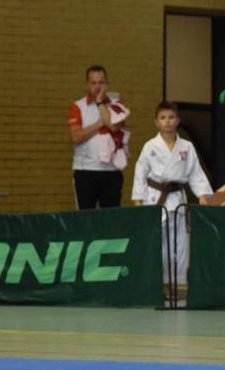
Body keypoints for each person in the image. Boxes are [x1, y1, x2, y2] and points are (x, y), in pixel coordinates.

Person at [131, 102, 214, 291]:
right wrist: (137, 199)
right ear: (156, 122)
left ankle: (179, 282)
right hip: (155, 197)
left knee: (180, 241)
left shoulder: (187, 146)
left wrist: (202, 195)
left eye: (171, 117)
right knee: (157, 240)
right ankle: (157, 282)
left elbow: (195, 172)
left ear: (177, 120)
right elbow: (140, 173)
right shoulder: (150, 146)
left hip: (178, 197)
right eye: (163, 118)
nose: (167, 121)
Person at [67, 65, 127, 209]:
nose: (97, 87)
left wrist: (100, 102)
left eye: (101, 82)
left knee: (111, 217)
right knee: (85, 218)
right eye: (93, 83)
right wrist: (101, 122)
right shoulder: (77, 106)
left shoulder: (116, 104)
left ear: (107, 84)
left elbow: (115, 126)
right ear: (87, 85)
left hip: (112, 171)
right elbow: (76, 137)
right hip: (85, 170)